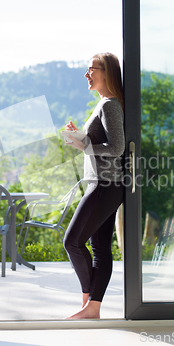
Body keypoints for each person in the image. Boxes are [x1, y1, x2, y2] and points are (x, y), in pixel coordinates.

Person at [63, 52, 125, 319]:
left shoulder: (110, 105)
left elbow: (117, 147)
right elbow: (100, 144)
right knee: (99, 249)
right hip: (102, 183)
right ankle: (92, 308)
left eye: (91, 69)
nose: (87, 74)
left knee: (72, 242)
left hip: (105, 184)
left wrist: (84, 144)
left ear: (106, 72)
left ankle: (89, 300)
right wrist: (81, 137)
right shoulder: (104, 104)